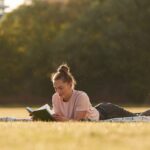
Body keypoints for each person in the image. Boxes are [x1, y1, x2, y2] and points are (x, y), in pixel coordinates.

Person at [51, 63, 150, 122]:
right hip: (99, 110)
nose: (58, 92)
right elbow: (59, 118)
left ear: (69, 84)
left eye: (61, 88)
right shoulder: (55, 97)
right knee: (139, 115)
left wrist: (63, 120)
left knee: (140, 118)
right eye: (55, 88)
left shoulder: (81, 96)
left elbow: (78, 122)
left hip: (108, 113)